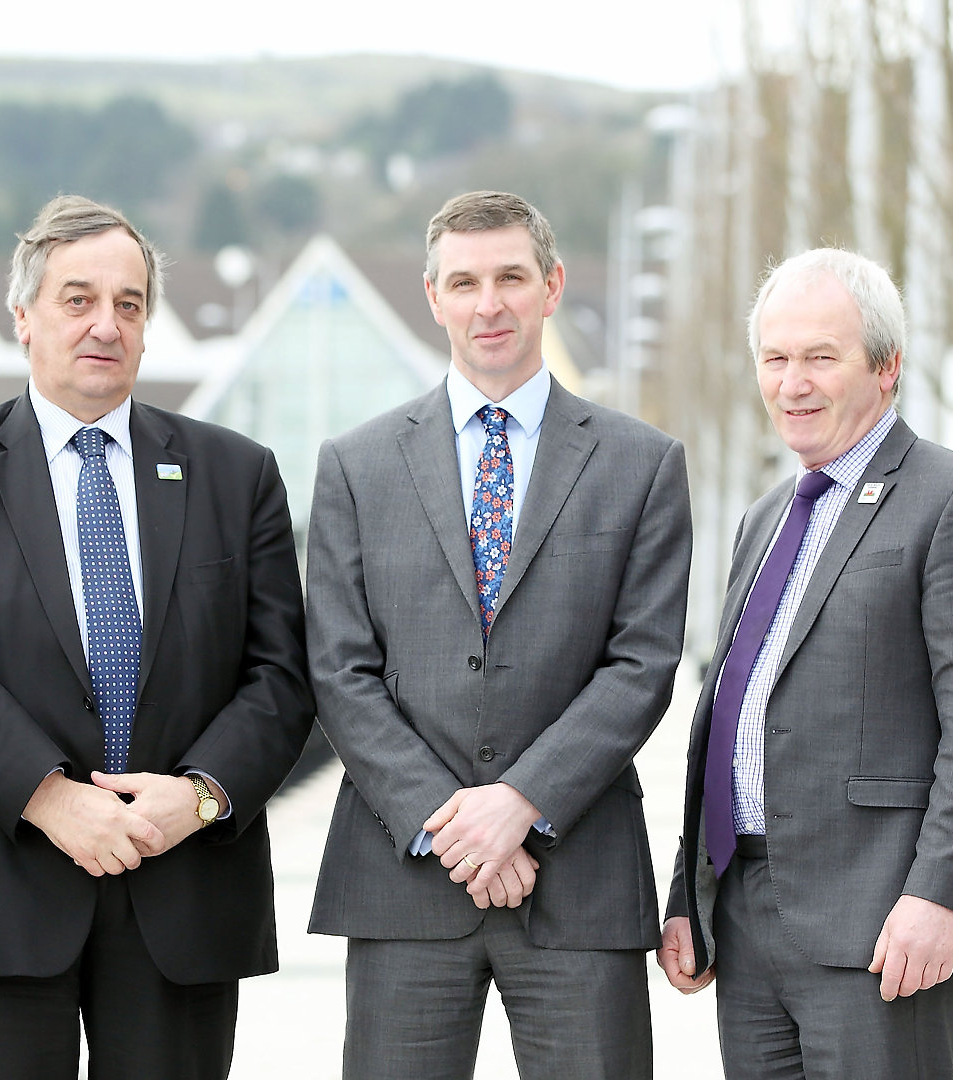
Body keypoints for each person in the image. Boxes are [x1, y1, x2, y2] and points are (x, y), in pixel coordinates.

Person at [0, 194, 313, 1080]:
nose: (105, 324)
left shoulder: (237, 474)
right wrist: (48, 796)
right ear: (24, 317)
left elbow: (282, 676)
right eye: (78, 299)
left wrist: (200, 796)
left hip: (179, 891)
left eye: (130, 303)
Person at [305, 190, 691, 1080]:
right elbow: (339, 668)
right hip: (404, 881)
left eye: (511, 277)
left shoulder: (641, 463)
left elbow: (643, 664)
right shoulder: (356, 466)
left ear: (551, 287)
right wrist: (451, 828)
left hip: (578, 879)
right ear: (432, 296)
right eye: (466, 282)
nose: (490, 304)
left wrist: (519, 801)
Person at [659, 248, 953, 1078]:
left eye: (822, 358)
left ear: (887, 367)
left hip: (883, 924)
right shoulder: (765, 517)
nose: (794, 382)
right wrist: (692, 888)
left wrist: (940, 894)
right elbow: (729, 712)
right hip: (748, 921)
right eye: (777, 358)